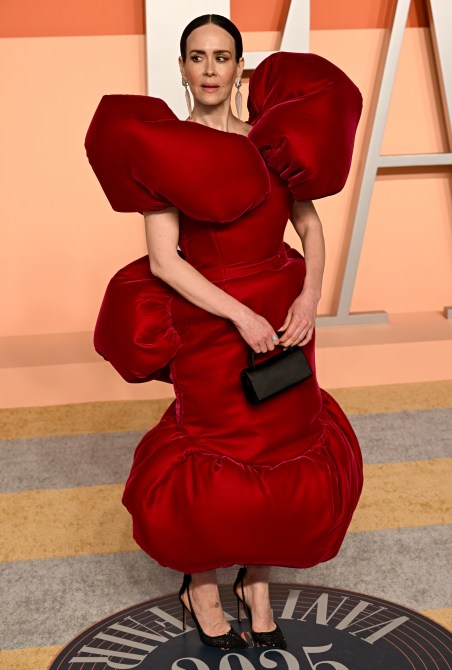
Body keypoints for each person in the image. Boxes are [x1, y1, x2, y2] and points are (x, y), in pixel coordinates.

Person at [85, 13, 364, 653]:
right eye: (197, 56)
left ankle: (256, 583)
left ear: (240, 68)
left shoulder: (274, 143)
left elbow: (309, 227)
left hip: (287, 314)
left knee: (284, 443)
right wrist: (239, 315)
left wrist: (310, 297)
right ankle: (202, 586)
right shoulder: (166, 149)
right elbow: (165, 261)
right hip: (212, 320)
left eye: (221, 56)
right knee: (216, 451)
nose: (209, 69)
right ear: (182, 68)